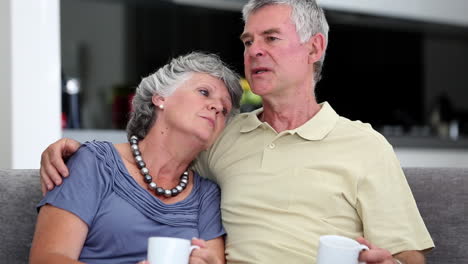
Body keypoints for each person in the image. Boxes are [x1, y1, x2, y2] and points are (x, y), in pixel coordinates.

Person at [39, 1, 434, 263]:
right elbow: (156, 158)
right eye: (248, 41)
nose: (253, 51)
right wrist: (77, 150)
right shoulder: (221, 136)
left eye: (271, 39)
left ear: (314, 49)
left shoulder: (365, 146)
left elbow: (409, 256)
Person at [30, 52, 243, 264]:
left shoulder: (206, 195)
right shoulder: (95, 163)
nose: (217, 107)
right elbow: (46, 259)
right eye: (204, 92)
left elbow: (212, 259)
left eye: (225, 110)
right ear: (161, 97)